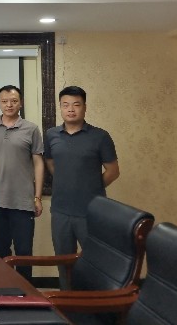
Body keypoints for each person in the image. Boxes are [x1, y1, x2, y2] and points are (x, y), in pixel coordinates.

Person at [45, 85, 120, 289]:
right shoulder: (51, 135)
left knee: (95, 263)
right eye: (65, 105)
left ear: (84, 107)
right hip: (60, 211)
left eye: (76, 104)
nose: (71, 109)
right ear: (60, 107)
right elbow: (50, 163)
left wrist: (91, 187)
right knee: (63, 262)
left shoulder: (100, 136)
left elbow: (113, 171)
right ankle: (68, 302)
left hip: (91, 212)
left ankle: (94, 304)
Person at [0, 85, 44, 281]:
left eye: (14, 101)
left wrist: (37, 196)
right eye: (4, 101)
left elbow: (38, 163)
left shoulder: (31, 129)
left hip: (23, 201)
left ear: (21, 103)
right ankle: (2, 289)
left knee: (24, 252)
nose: (9, 105)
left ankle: (26, 291)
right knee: (0, 250)